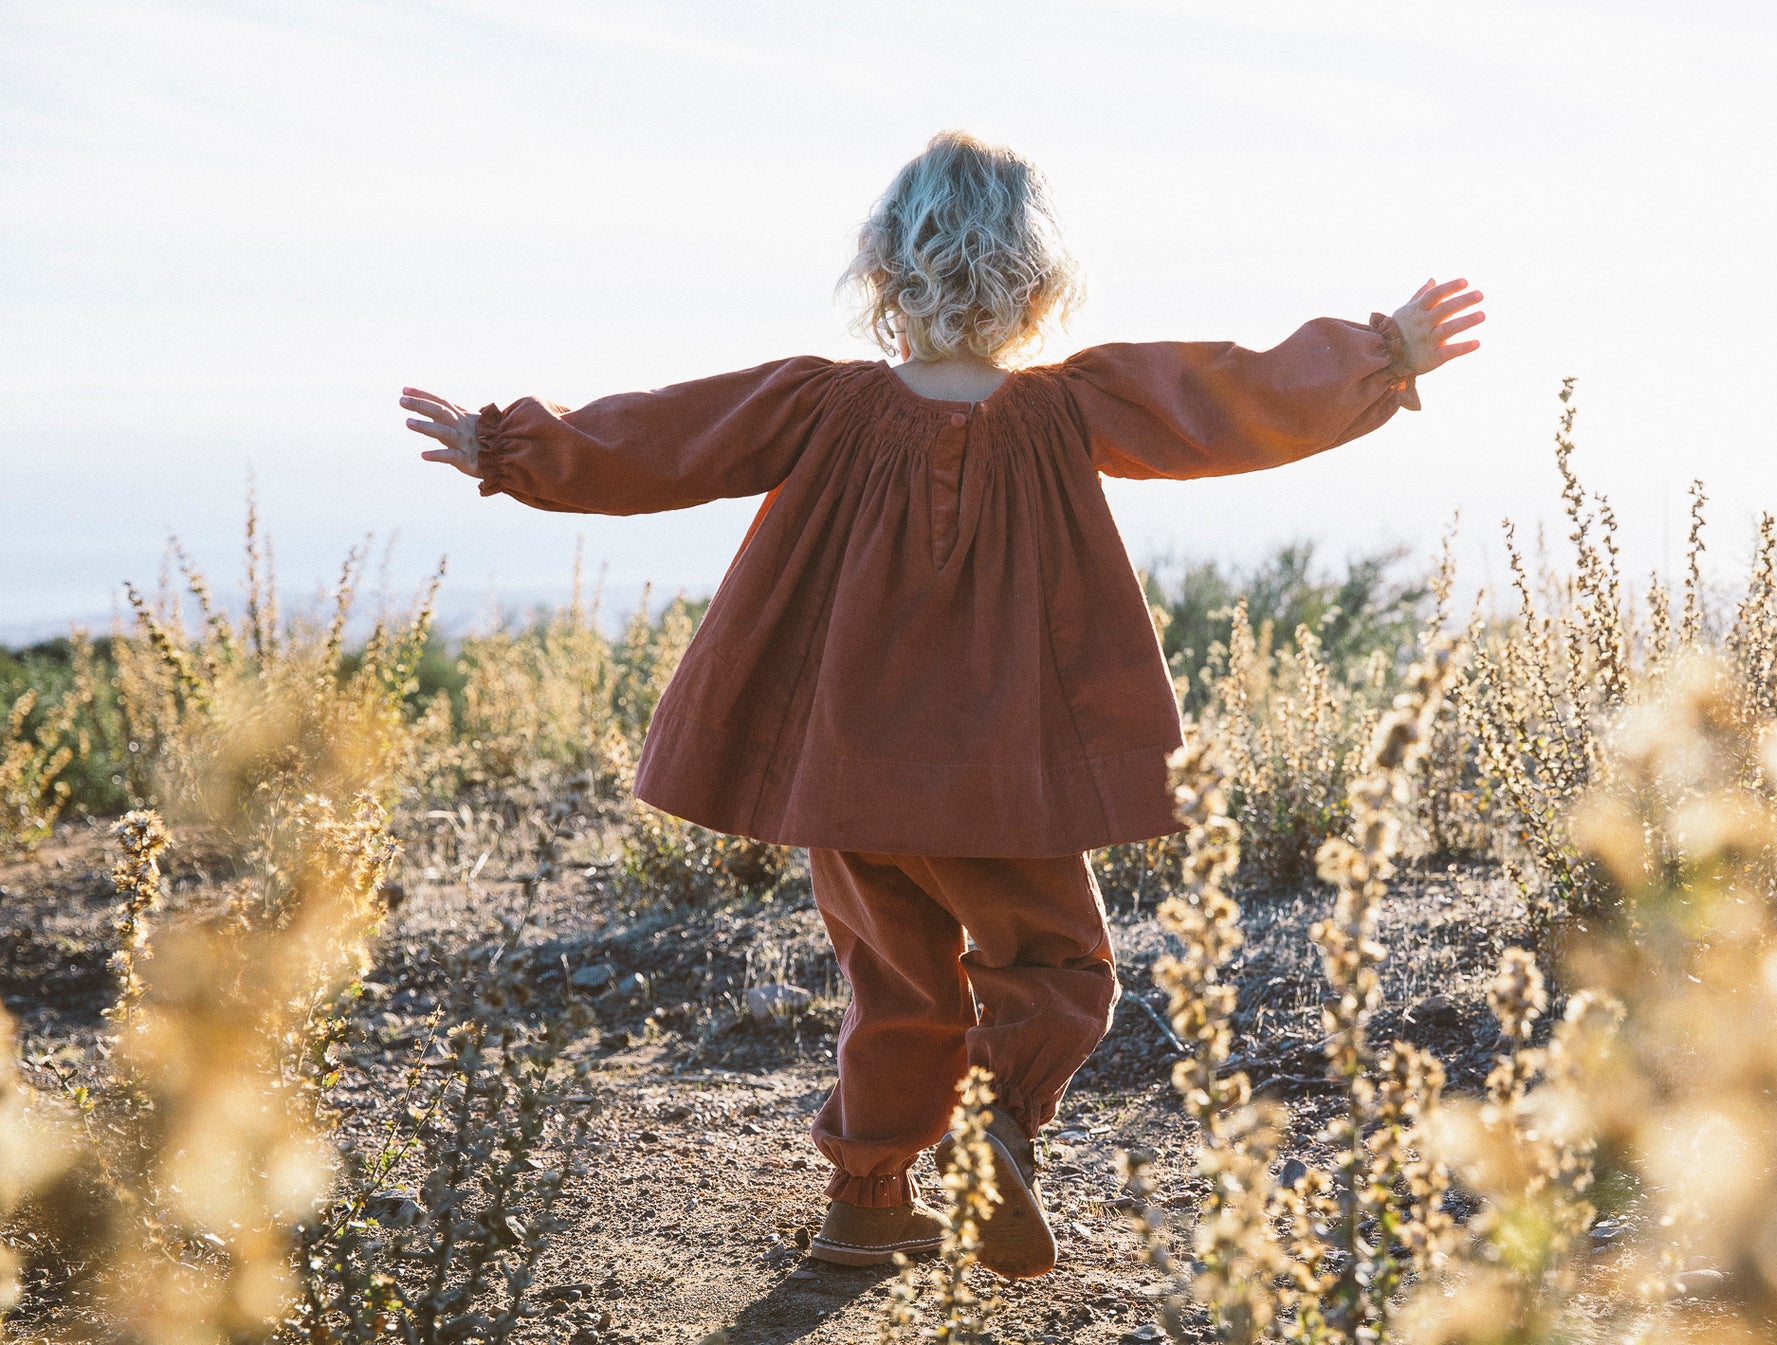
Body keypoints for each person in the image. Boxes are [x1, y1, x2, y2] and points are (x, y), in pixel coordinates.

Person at [401, 130, 1482, 1280]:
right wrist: (1378, 356)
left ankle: (866, 1202)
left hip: (845, 769)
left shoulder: (815, 404)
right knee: (1057, 965)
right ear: (1038, 291)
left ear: (883, 284)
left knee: (898, 985)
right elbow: (1222, 399)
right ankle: (996, 1126)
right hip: (1000, 782)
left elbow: (665, 438)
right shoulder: (1074, 407)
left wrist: (507, 448)